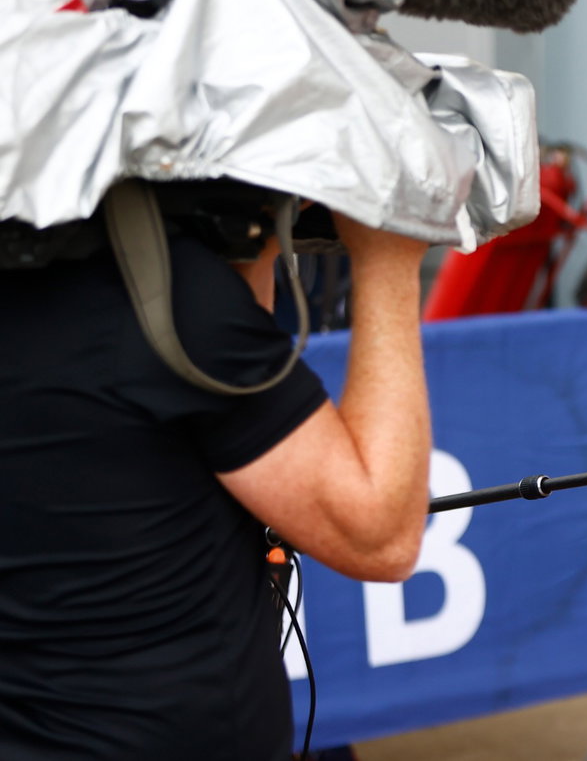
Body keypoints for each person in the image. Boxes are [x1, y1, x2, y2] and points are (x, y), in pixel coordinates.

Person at [0, 208, 433, 760]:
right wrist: (390, 257)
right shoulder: (158, 292)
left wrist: (258, 235)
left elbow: (228, 400)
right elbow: (382, 538)